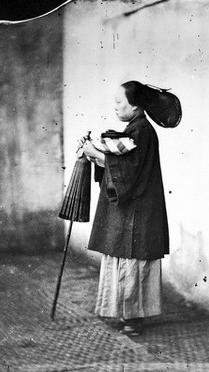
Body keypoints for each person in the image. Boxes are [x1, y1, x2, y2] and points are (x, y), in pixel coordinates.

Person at [82, 81, 169, 336]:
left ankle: (133, 317)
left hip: (139, 210)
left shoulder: (142, 131)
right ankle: (126, 313)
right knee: (126, 258)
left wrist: (96, 155)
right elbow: (120, 164)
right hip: (134, 208)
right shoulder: (135, 129)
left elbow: (127, 171)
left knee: (132, 259)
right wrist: (96, 152)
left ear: (135, 104)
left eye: (120, 101)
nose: (116, 106)